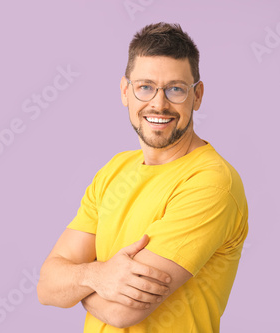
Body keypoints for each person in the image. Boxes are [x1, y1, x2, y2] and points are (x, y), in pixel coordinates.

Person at [37, 22, 249, 332]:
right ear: (126, 91)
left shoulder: (211, 183)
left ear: (198, 95)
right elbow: (47, 285)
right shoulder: (114, 170)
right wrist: (98, 276)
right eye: (145, 86)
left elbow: (123, 311)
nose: (159, 103)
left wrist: (78, 287)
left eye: (175, 88)